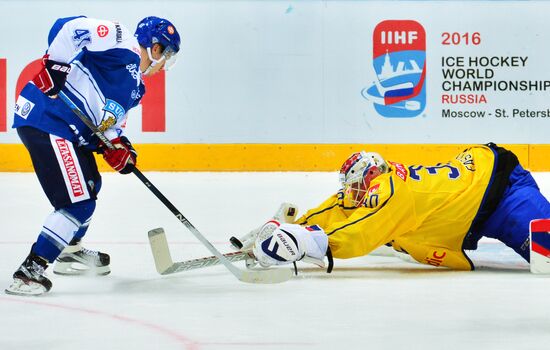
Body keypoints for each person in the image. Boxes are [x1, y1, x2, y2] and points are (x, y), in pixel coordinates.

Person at [5, 16, 181, 296]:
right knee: (78, 204)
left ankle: (69, 250)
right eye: (167, 54)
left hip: (68, 130)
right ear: (156, 48)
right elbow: (67, 27)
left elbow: (109, 125)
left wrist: (121, 148)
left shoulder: (137, 89)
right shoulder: (122, 41)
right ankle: (29, 273)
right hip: (49, 119)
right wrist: (55, 66)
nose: (165, 63)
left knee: (90, 186)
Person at [248, 143, 550, 272]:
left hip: (504, 196)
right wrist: (294, 226)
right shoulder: (382, 185)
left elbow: (360, 232)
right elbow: (342, 207)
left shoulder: (391, 190)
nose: (350, 193)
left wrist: (308, 242)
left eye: (356, 185)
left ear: (371, 178)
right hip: (474, 203)